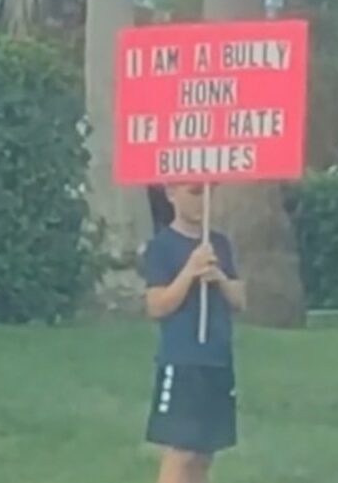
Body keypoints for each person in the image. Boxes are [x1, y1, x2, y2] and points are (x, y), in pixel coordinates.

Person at [142, 183, 247, 483]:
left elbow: (240, 300)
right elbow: (157, 305)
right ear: (172, 193)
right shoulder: (162, 246)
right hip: (183, 358)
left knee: (204, 452)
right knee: (181, 451)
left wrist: (220, 278)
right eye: (194, 192)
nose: (203, 201)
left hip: (217, 357)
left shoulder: (219, 244)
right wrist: (189, 272)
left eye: (208, 193)